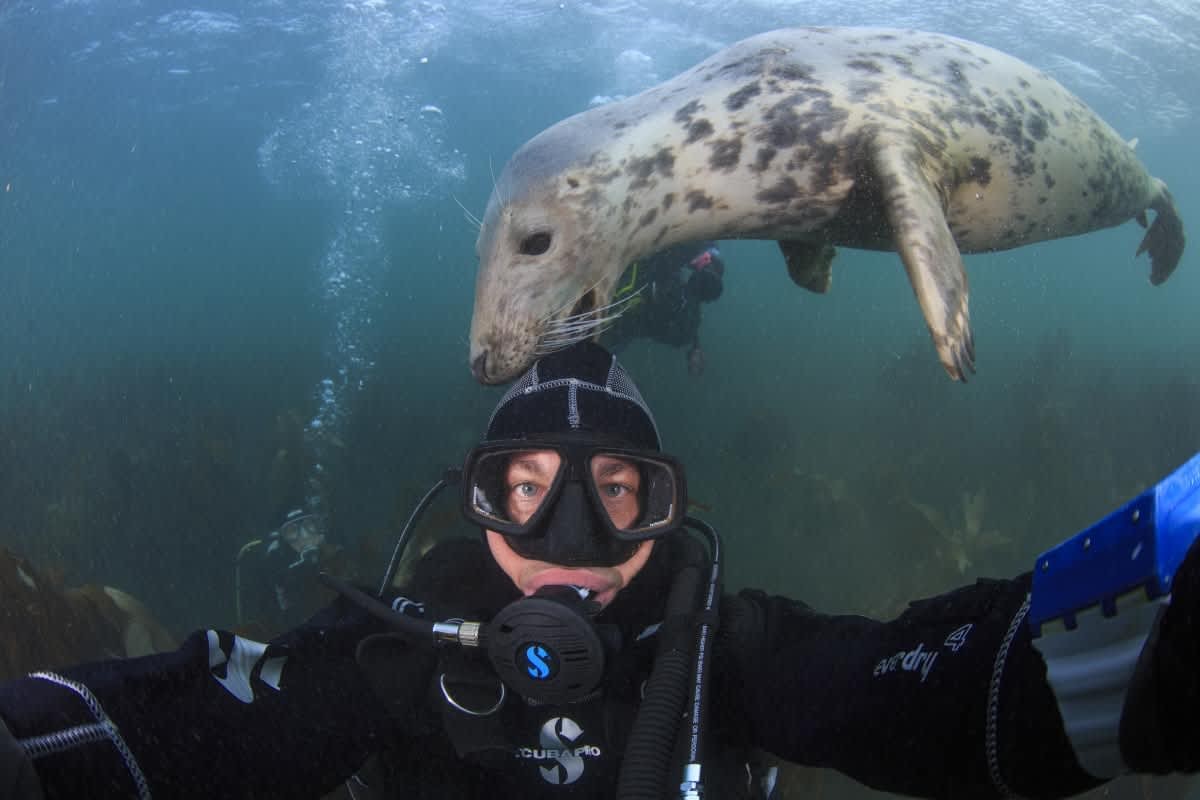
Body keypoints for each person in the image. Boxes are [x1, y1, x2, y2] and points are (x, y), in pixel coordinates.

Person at [3, 341, 1200, 800]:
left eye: (615, 491)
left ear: (662, 511)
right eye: (527, 488)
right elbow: (185, 724)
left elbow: (938, 692)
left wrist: (1151, 649)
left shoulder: (722, 649)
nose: (569, 535)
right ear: (478, 506)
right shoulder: (399, 650)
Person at [605, 241, 725, 376]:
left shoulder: (681, 310)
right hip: (618, 321)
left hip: (614, 322)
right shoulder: (669, 269)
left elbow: (681, 329)